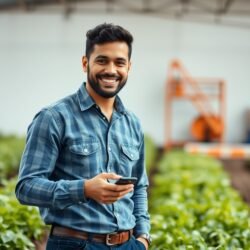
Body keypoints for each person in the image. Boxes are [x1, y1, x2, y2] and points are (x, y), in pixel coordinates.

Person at [15, 23, 151, 249]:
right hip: (75, 243)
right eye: (102, 60)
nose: (111, 70)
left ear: (129, 67)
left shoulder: (132, 123)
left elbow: (139, 187)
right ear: (85, 63)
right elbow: (26, 187)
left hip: (128, 244)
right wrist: (84, 189)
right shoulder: (54, 117)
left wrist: (143, 238)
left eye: (119, 62)